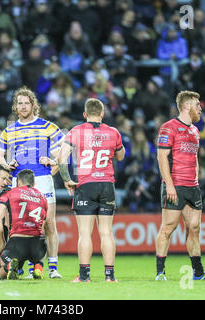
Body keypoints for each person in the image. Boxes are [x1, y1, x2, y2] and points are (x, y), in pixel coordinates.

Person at [0, 86, 65, 279]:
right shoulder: (10, 130)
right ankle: (18, 265)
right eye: (20, 103)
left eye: (27, 103)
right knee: (15, 225)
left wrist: (54, 161)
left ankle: (52, 267)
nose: (23, 106)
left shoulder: (46, 126)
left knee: (49, 223)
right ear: (16, 107)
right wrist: (7, 164)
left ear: (34, 105)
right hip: (18, 180)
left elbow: (63, 151)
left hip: (42, 178)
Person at [155, 90, 205, 281]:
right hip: (175, 185)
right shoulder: (168, 128)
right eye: (197, 104)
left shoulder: (194, 130)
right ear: (186, 106)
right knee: (168, 228)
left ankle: (198, 273)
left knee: (194, 228)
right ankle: (160, 273)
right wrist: (169, 185)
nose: (200, 108)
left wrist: (197, 177)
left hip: (193, 187)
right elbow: (162, 157)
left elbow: (194, 158)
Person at [57, 98, 125, 282]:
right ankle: (110, 276)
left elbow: (62, 157)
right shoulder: (113, 132)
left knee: (85, 233)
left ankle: (84, 276)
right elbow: (120, 155)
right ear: (102, 114)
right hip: (107, 184)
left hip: (85, 184)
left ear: (84, 114)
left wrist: (67, 180)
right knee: (106, 233)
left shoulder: (76, 131)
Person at [0, 169, 48, 280]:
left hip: (17, 242)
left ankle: (9, 267)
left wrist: (2, 243)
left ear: (18, 182)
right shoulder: (42, 196)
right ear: (33, 183)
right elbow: (44, 222)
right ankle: (38, 266)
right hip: (38, 244)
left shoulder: (11, 193)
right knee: (40, 248)